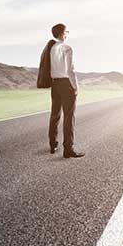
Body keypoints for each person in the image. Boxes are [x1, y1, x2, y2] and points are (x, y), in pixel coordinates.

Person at [48, 23, 85, 158]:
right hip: (66, 84)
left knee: (55, 115)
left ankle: (53, 144)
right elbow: (70, 70)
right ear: (63, 33)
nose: (67, 34)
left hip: (55, 84)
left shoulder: (51, 48)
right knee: (69, 117)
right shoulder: (67, 48)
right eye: (66, 32)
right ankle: (68, 149)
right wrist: (75, 86)